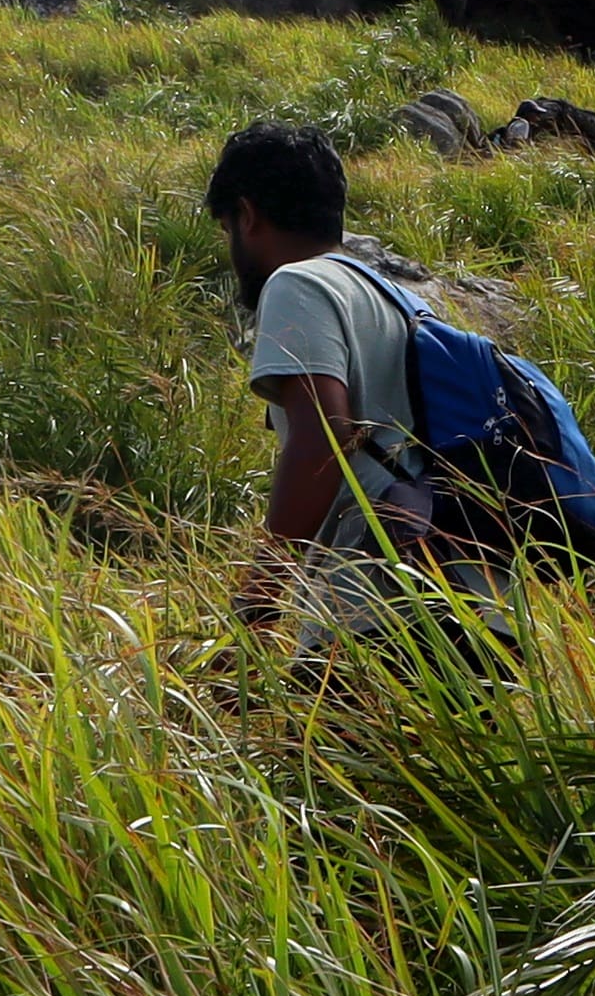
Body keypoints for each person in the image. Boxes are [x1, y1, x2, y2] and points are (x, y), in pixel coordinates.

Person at [204, 120, 479, 655]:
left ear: (248, 215)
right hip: (479, 608)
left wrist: (257, 604)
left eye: (226, 228)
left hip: (386, 610)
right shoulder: (397, 301)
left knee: (306, 743)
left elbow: (324, 440)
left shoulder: (296, 282)